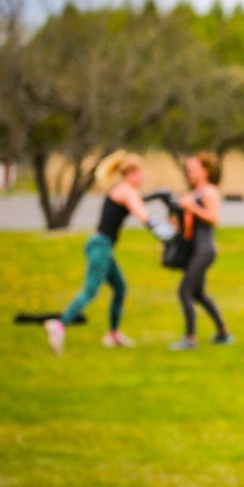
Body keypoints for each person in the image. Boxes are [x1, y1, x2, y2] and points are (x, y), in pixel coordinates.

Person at [43, 150, 176, 354]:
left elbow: (139, 202)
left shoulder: (121, 189)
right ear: (131, 173)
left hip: (101, 245)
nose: (142, 177)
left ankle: (113, 334)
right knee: (90, 290)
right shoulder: (126, 190)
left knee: (120, 288)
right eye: (140, 173)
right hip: (101, 245)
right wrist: (168, 236)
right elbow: (142, 214)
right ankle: (59, 324)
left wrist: (157, 196)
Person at [169, 153, 232, 350]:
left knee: (184, 291)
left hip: (204, 250)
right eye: (188, 170)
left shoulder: (209, 192)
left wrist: (192, 207)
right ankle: (223, 333)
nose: (190, 173)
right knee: (198, 294)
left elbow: (214, 218)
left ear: (206, 171)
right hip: (193, 249)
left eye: (194, 169)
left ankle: (190, 339)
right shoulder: (193, 192)